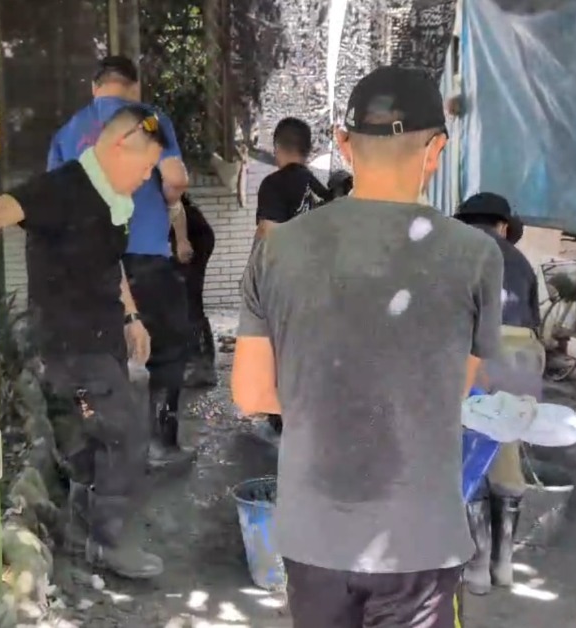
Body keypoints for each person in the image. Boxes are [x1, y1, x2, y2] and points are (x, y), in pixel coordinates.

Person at [232, 65, 504, 627]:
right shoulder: (477, 256)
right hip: (420, 538)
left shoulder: (277, 251)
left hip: (314, 535)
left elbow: (251, 393)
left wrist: (327, 399)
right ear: (437, 149)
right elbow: (454, 388)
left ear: (343, 142)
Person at [0, 105, 167, 579]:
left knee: (92, 438)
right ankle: (109, 543)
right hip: (71, 348)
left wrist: (132, 317)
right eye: (146, 165)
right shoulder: (63, 187)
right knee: (122, 434)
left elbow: (111, 265)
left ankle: (87, 530)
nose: (148, 177)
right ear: (117, 147)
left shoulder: (112, 200)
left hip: (101, 339)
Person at [48, 55, 196, 471]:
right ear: (134, 87)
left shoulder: (67, 132)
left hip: (90, 262)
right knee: (167, 350)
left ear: (95, 88)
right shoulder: (148, 119)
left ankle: (107, 453)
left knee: (102, 355)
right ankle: (160, 444)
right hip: (145, 254)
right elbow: (176, 178)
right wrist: (169, 199)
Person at [453, 191, 542, 594]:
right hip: (524, 353)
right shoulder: (521, 261)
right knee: (506, 450)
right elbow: (535, 322)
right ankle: (503, 565)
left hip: (479, 349)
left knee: (470, 451)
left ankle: (476, 568)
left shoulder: (457, 254)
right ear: (503, 226)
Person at [251, 117, 333, 438]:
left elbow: (268, 233)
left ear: (277, 148)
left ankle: (284, 420)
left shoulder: (274, 184)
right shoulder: (322, 189)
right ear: (308, 149)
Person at [175, 192, 218, 387]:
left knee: (189, 301)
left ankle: (203, 367)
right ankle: (197, 361)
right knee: (187, 301)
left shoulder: (160, 187)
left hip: (193, 238)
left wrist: (182, 240)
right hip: (192, 235)